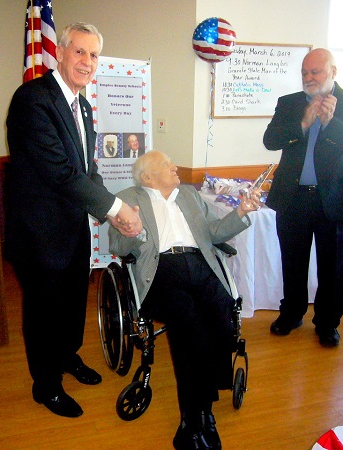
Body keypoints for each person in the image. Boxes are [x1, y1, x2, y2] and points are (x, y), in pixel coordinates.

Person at [5, 22, 142, 418]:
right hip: (39, 233)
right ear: (60, 53)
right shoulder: (33, 100)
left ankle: (67, 357)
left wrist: (110, 209)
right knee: (44, 312)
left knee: (70, 305)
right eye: (79, 52)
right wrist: (116, 210)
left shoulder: (82, 105)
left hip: (72, 228)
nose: (87, 62)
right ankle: (45, 386)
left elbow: (87, 168)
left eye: (94, 55)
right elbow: (61, 172)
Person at [108, 151, 261, 450]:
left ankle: (204, 408)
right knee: (190, 328)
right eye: (167, 164)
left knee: (222, 315)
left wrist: (241, 212)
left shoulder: (189, 195)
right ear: (147, 176)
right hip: (162, 270)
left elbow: (215, 232)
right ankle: (193, 420)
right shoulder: (127, 197)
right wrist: (134, 232)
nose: (174, 167)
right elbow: (116, 244)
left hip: (201, 263)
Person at [263, 48, 343, 348]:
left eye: (316, 72)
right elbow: (270, 139)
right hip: (293, 199)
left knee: (333, 267)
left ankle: (327, 323)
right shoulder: (290, 104)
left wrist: (329, 122)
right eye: (305, 72)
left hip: (336, 200)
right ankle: (292, 314)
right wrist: (303, 123)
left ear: (333, 72)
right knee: (293, 261)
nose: (309, 78)